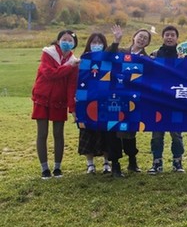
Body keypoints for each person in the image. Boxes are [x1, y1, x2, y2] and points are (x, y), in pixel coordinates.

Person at [31, 30, 80, 179]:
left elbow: (71, 86)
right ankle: (44, 168)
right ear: (58, 41)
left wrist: (72, 108)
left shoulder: (74, 62)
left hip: (59, 101)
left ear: (74, 44)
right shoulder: (48, 54)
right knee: (42, 133)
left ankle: (57, 168)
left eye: (70, 41)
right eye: (64, 39)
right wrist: (69, 66)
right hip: (42, 98)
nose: (67, 42)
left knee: (58, 134)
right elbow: (50, 73)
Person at [106, 25, 152, 177]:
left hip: (134, 99)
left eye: (145, 38)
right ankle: (115, 164)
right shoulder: (120, 51)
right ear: (134, 37)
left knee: (130, 130)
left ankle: (132, 160)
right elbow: (107, 56)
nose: (142, 39)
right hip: (115, 96)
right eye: (140, 36)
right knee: (113, 129)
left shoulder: (147, 59)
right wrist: (116, 40)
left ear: (147, 43)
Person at [148, 25, 187, 174]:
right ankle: (156, 162)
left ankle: (177, 162)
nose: (169, 37)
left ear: (177, 38)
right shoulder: (155, 54)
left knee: (176, 134)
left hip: (176, 101)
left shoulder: (183, 55)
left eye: (172, 35)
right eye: (167, 35)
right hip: (158, 100)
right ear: (163, 37)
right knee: (157, 134)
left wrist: (184, 62)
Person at [78, 32, 111, 174]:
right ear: (89, 44)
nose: (96, 45)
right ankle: (90, 164)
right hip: (86, 101)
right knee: (87, 131)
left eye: (99, 42)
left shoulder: (108, 60)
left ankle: (106, 163)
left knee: (106, 131)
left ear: (104, 45)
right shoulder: (83, 60)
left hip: (104, 100)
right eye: (94, 42)